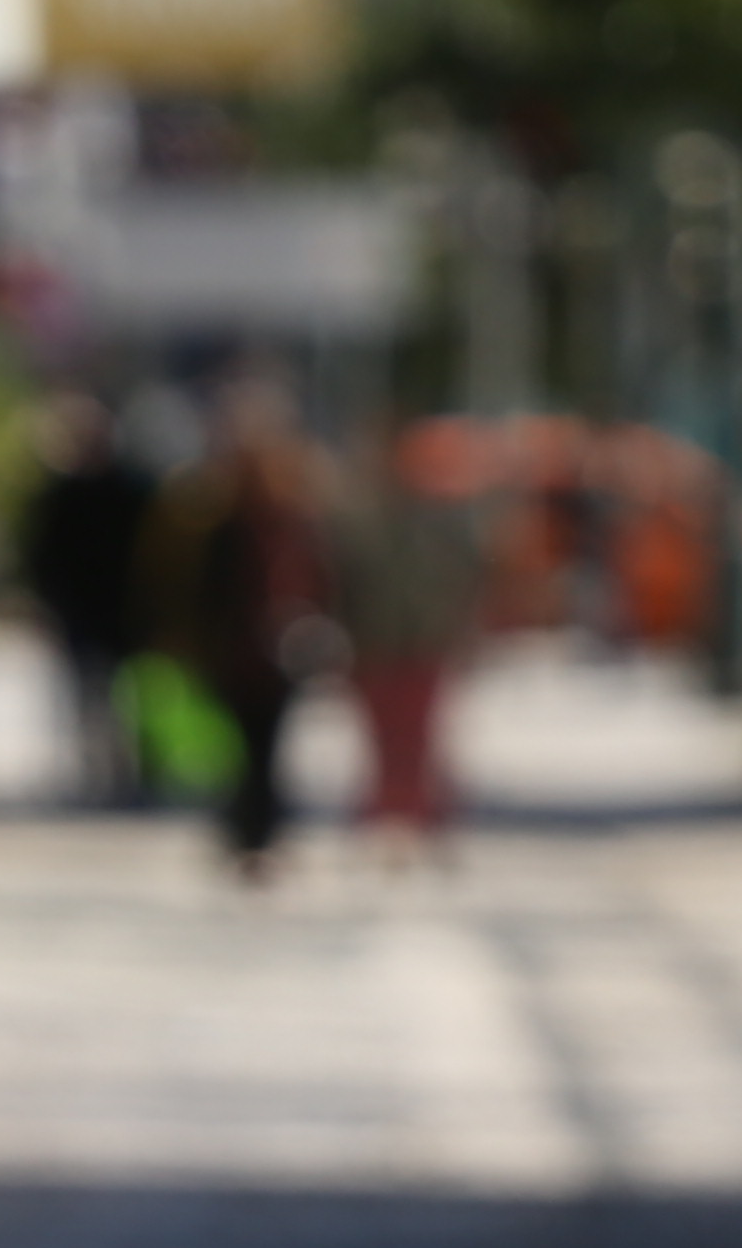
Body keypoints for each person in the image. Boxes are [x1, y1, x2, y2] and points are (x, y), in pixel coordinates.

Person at [143, 365, 332, 879]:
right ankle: (243, 833)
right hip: (228, 647)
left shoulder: (294, 505)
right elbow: (180, 577)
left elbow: (318, 571)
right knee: (238, 747)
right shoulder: (203, 507)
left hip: (281, 647)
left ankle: (260, 835)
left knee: (269, 747)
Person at [330, 416, 489, 857]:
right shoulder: (358, 517)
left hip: (423, 642)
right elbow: (345, 579)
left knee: (419, 737)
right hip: (375, 642)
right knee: (382, 738)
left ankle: (420, 818)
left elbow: (464, 579)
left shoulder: (443, 518)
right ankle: (384, 816)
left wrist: (456, 628)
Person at [16, 387, 159, 807]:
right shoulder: (59, 494)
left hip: (124, 613)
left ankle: (130, 770)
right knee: (85, 697)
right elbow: (42, 557)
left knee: (130, 700)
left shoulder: (132, 490)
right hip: (79, 614)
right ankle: (95, 772)